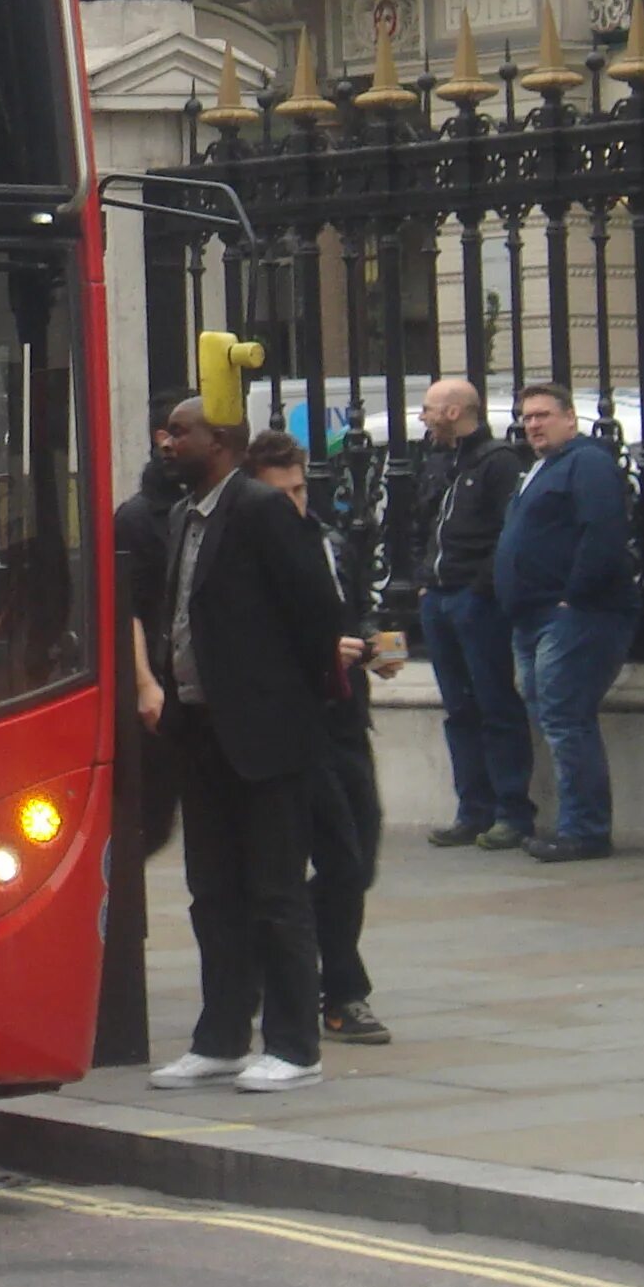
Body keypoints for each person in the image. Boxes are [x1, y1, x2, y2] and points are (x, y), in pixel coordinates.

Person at [143, 397, 345, 1094]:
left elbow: (317, 612)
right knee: (213, 893)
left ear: (221, 440)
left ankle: (294, 1046)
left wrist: (282, 700)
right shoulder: (180, 516)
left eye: (181, 431)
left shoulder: (260, 510)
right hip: (199, 732)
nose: (167, 441)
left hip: (264, 736)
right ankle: (222, 1037)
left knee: (275, 894)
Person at [242, 430, 400, 1046]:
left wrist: (373, 645)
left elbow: (355, 609)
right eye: (280, 494)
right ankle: (342, 991)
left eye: (300, 489)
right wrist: (315, 650)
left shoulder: (329, 542)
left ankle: (293, 958)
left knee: (356, 857)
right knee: (333, 855)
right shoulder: (245, 553)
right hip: (289, 727)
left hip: (343, 719)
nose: (295, 504)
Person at [492, 383, 638, 862]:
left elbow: (603, 529)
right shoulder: (540, 468)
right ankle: (576, 823)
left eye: (542, 415)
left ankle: (585, 829)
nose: (532, 424)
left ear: (570, 418)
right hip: (533, 617)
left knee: (565, 718)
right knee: (555, 717)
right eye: (526, 417)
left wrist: (574, 597)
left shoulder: (587, 462)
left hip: (575, 616)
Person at [412, 379, 532, 849]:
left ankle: (511, 811)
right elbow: (421, 523)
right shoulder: (442, 460)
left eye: (429, 409)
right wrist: (424, 581)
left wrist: (482, 586)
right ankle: (473, 808)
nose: (423, 417)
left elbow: (508, 531)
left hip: (474, 598)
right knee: (458, 708)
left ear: (455, 410)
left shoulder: (497, 462)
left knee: (494, 702)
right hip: (440, 595)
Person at [114, 424, 189, 857]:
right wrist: (144, 683)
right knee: (151, 822)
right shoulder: (137, 518)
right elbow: (128, 607)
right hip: (162, 683)